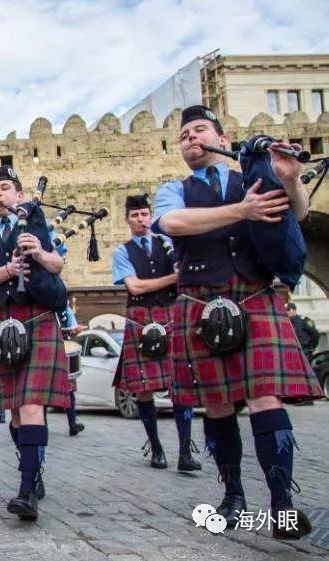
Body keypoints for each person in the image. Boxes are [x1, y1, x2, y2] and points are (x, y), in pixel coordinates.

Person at [154, 105, 323, 539]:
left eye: (201, 130)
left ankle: (282, 502)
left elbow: (298, 215)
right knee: (217, 404)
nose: (192, 138)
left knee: (267, 399)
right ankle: (232, 495)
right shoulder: (175, 189)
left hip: (254, 295)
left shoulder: (252, 176)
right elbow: (173, 222)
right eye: (184, 134)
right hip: (200, 300)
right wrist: (241, 211)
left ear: (223, 139)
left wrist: (288, 177)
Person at [0, 165, 71, 522]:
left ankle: (26, 491)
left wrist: (38, 252)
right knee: (19, 412)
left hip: (37, 320)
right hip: (1, 323)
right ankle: (32, 469)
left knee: (33, 404)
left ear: (19, 195)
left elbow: (58, 264)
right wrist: (8, 271)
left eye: (5, 188)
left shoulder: (38, 227)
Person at [111, 194, 200, 471]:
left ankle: (185, 453)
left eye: (144, 214)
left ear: (151, 216)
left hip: (171, 314)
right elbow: (134, 287)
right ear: (127, 220)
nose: (141, 220)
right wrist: (173, 278)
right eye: (135, 216)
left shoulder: (168, 244)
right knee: (145, 389)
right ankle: (157, 449)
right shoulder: (122, 251)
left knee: (180, 385)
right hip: (140, 316)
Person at [55, 305, 85, 437]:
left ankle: (72, 424)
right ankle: (41, 423)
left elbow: (71, 328)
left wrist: (75, 330)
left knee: (69, 390)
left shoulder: (65, 309)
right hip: (49, 347)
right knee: (43, 391)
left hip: (65, 348)